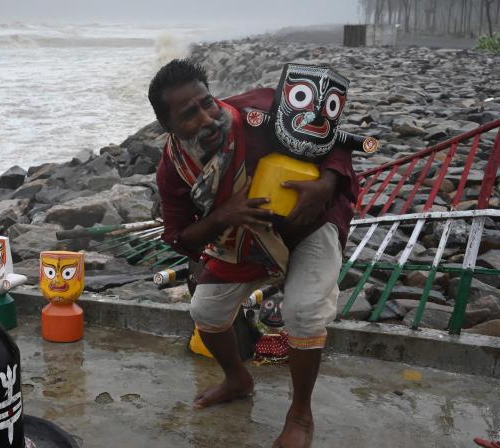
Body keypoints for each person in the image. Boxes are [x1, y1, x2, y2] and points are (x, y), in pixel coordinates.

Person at [148, 59, 357, 448]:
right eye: (189, 114)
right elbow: (180, 237)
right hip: (247, 238)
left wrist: (326, 185)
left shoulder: (259, 110)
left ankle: (300, 417)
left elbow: (336, 140)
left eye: (207, 102)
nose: (208, 118)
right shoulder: (172, 168)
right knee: (206, 312)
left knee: (304, 312)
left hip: (312, 223)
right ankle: (237, 379)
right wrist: (222, 216)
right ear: (168, 127)